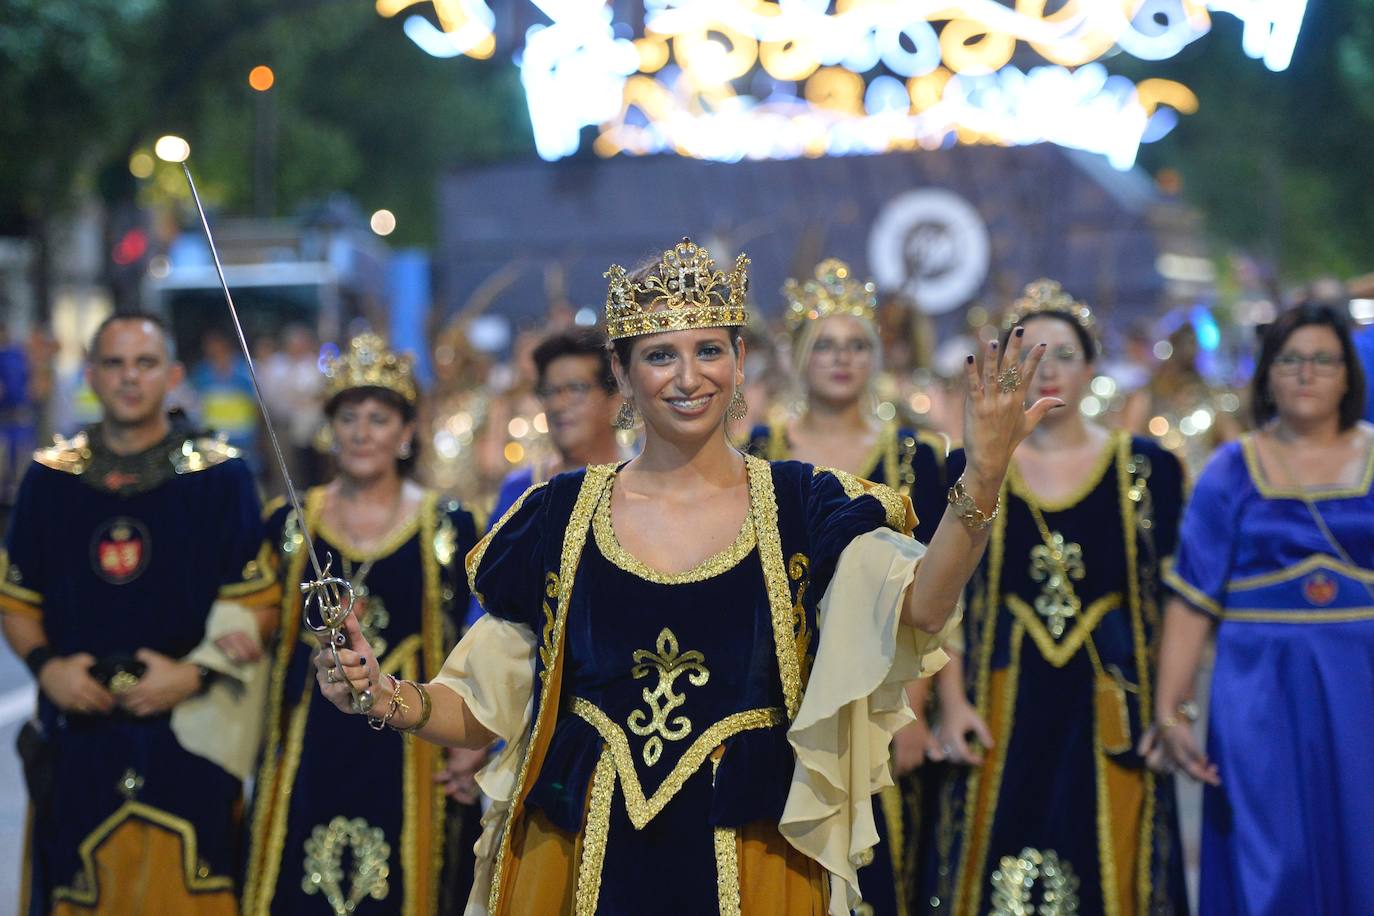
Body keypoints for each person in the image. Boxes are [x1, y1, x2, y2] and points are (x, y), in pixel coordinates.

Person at [310, 237, 1059, 915]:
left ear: (738, 364)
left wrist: (981, 481)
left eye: (710, 351)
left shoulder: (804, 505)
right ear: (624, 376)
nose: (688, 376)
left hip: (753, 854)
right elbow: (484, 702)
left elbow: (923, 608)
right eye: (661, 355)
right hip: (581, 856)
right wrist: (383, 695)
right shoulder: (562, 515)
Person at [920, 280, 1187, 916]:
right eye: (1030, 352)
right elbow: (945, 598)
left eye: (1065, 353)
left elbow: (1176, 601)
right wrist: (950, 702)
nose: (1048, 366)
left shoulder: (1148, 468)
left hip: (1108, 704)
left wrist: (1173, 709)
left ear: (1093, 367)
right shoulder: (968, 469)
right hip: (999, 700)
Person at [0, 312, 277, 915]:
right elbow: (18, 604)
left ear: (173, 375)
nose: (130, 378)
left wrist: (192, 675)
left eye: (146, 363)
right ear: (92, 376)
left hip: (192, 735)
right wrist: (48, 671)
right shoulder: (50, 480)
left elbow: (257, 607)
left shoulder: (221, 477)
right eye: (115, 364)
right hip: (77, 738)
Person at [1144, 303, 1374, 915]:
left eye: (1323, 360)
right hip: (1259, 693)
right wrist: (1171, 712)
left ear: (1348, 375)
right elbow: (1192, 601)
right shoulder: (1230, 471)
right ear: (1268, 374)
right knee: (1274, 861)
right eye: (1290, 360)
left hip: (1364, 689)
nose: (1306, 373)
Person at [241, 332, 480, 916]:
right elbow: (255, 618)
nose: (362, 432)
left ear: (405, 434)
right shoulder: (292, 523)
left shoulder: (447, 527)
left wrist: (474, 745)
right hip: (308, 743)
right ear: (330, 429)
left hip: (409, 747)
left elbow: (477, 645)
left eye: (379, 418)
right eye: (349, 417)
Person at [745, 258, 950, 914]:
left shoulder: (917, 455)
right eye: (825, 346)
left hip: (884, 688)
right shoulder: (757, 448)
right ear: (801, 358)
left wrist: (913, 707)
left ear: (877, 356)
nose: (842, 359)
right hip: (779, 684)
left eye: (857, 344)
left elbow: (937, 592)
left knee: (881, 862)